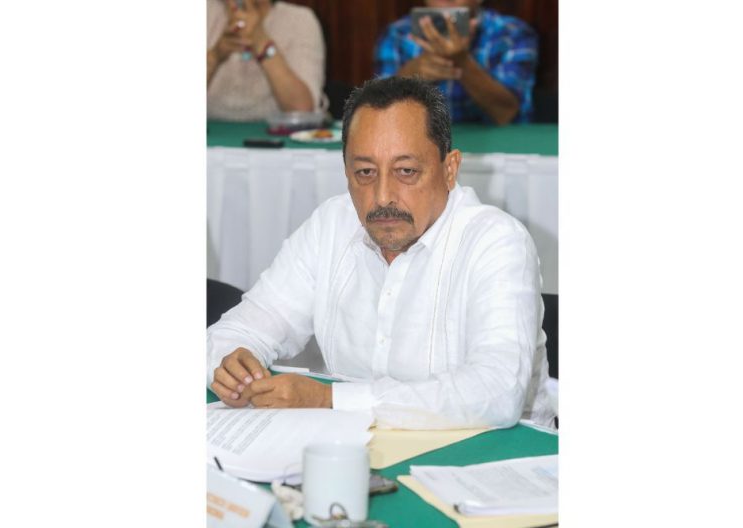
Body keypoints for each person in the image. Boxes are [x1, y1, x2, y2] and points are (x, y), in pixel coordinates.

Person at [207, 77, 554, 430]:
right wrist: (233, 363)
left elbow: (497, 391)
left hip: (494, 452)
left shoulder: (496, 241)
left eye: (406, 171)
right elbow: (241, 329)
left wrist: (331, 400)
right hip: (355, 444)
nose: (383, 196)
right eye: (365, 172)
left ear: (449, 169)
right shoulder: (332, 224)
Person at [374, 0, 537, 125]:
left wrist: (462, 63)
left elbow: (507, 114)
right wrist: (407, 78)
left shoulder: (511, 34)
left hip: (497, 149)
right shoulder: (397, 34)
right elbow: (377, 114)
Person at [207, 0, 325, 121]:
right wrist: (215, 56)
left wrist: (261, 43)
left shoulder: (300, 20)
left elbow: (302, 110)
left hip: (276, 131)